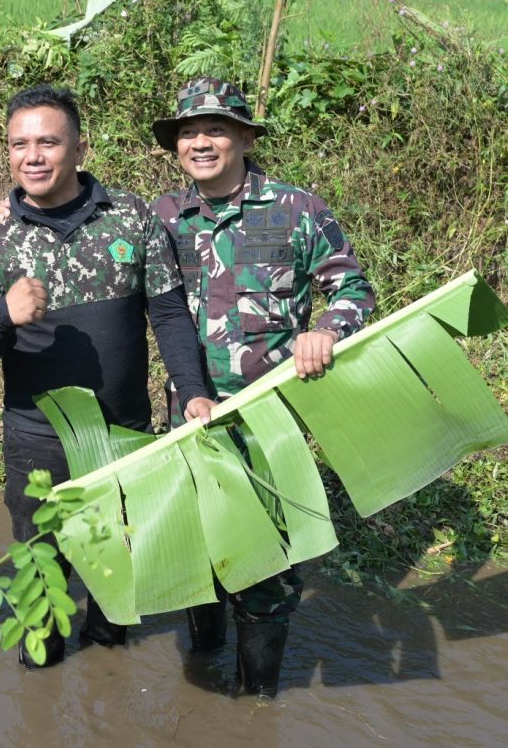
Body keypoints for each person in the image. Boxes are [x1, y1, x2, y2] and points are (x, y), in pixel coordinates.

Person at [0, 84, 215, 669]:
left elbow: (168, 314)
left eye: (48, 142)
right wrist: (4, 314)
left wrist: (193, 392)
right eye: (19, 144)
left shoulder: (130, 215)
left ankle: (103, 691)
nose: (33, 156)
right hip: (37, 444)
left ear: (79, 148)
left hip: (122, 436)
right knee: (41, 585)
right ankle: (39, 688)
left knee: (113, 580)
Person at [151, 76, 376, 698]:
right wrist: (9, 206)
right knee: (199, 556)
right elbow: (88, 229)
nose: (201, 142)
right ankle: (205, 672)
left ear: (246, 138)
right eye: (189, 132)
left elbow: (353, 288)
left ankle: (258, 706)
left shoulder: (296, 210)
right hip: (190, 421)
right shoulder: (163, 218)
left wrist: (327, 329)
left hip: (270, 422)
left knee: (267, 567)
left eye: (216, 129)